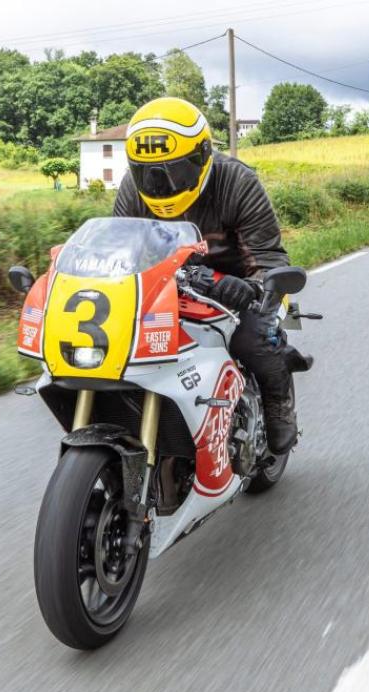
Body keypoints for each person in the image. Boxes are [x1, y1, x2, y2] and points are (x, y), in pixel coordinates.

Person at [113, 97, 298, 454]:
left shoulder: (237, 182)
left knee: (253, 337)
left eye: (173, 171)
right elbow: (123, 249)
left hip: (240, 283)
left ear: (201, 157)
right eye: (146, 173)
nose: (159, 185)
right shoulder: (131, 191)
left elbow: (268, 256)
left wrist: (255, 289)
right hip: (169, 283)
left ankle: (278, 401)